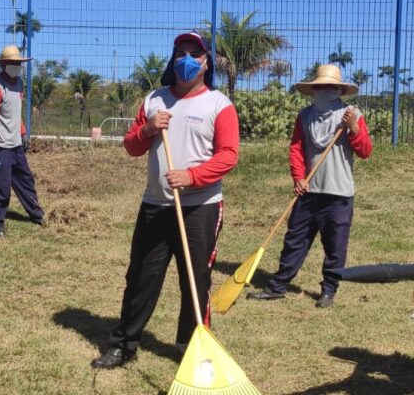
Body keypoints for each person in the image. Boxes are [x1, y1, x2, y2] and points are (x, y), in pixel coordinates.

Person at [92, 31, 240, 369]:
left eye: (195, 54)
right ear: (173, 60)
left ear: (206, 64)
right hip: (155, 205)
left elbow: (229, 155)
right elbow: (131, 147)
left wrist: (192, 176)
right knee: (141, 277)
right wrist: (147, 130)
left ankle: (189, 344)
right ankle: (123, 345)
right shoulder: (154, 100)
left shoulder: (219, 105)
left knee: (196, 281)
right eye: (181, 53)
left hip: (201, 208)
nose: (187, 59)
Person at [248, 64, 372, 308]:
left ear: (339, 89)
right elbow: (296, 150)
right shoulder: (304, 116)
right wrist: (298, 177)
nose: (326, 90)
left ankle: (328, 290)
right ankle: (278, 286)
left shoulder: (351, 114)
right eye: (321, 86)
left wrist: (354, 129)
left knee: (335, 247)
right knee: (294, 240)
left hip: (338, 195)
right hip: (308, 192)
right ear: (314, 90)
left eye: (331, 86)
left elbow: (366, 151)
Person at [0, 44, 43, 237]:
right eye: (13, 63)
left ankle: (36, 215)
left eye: (18, 62)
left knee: (26, 181)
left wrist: (23, 132)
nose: (16, 65)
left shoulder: (18, 84)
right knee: (1, 187)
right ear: (3, 64)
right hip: (1, 147)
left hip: (16, 145)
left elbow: (16, 113)